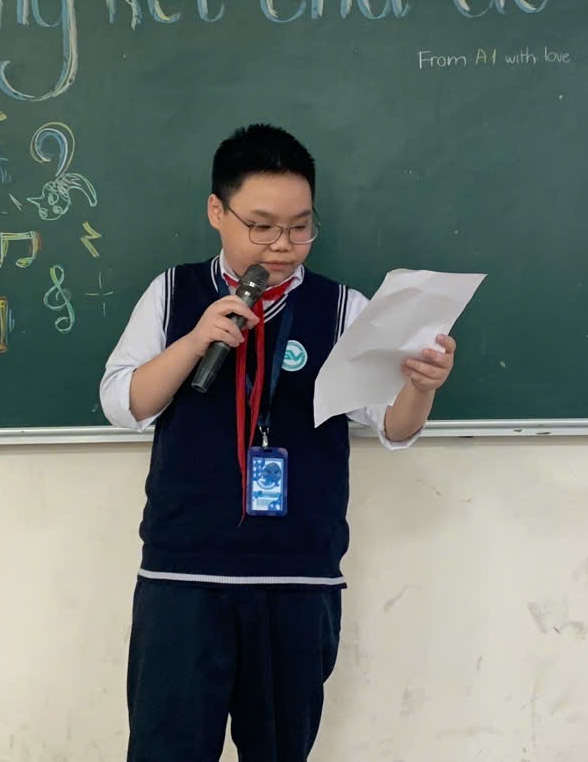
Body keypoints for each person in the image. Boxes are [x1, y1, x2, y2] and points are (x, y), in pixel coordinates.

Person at [99, 123, 457, 762]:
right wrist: (192, 341)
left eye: (299, 225)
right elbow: (123, 404)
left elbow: (394, 428)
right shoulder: (174, 292)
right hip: (183, 574)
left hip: (296, 577)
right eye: (261, 226)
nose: (283, 244)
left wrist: (422, 387)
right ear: (218, 211)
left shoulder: (346, 307)